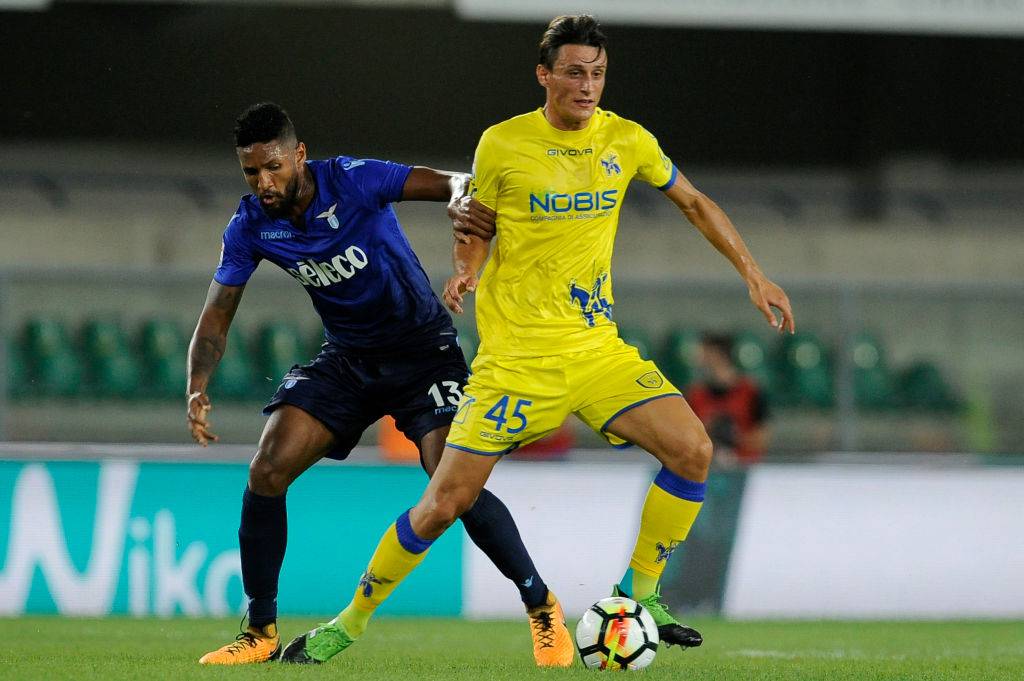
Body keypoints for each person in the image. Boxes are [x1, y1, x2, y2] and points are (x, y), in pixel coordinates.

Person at [279, 15, 795, 665]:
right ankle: (346, 624)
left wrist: (754, 273)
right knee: (444, 502)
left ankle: (639, 594)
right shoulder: (503, 144)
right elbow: (477, 220)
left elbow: (693, 201)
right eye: (575, 72)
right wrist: (466, 267)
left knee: (693, 448)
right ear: (544, 75)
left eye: (598, 73)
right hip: (516, 361)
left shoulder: (628, 140)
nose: (588, 86)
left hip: (595, 347)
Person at [188, 103, 558, 666]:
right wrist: (197, 385)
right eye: (251, 173)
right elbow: (217, 313)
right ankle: (260, 631)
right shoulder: (249, 226)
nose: (264, 182)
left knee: (450, 482)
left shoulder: (355, 180)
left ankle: (541, 606)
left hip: (424, 355)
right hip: (349, 361)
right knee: (267, 468)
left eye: (273, 168)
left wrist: (462, 196)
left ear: (299, 155)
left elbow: (454, 181)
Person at [687, 333, 770, 466]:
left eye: (704, 354)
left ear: (717, 355)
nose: (698, 360)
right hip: (707, 467)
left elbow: (762, 438)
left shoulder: (750, 391)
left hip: (744, 466)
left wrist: (734, 437)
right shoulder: (695, 394)